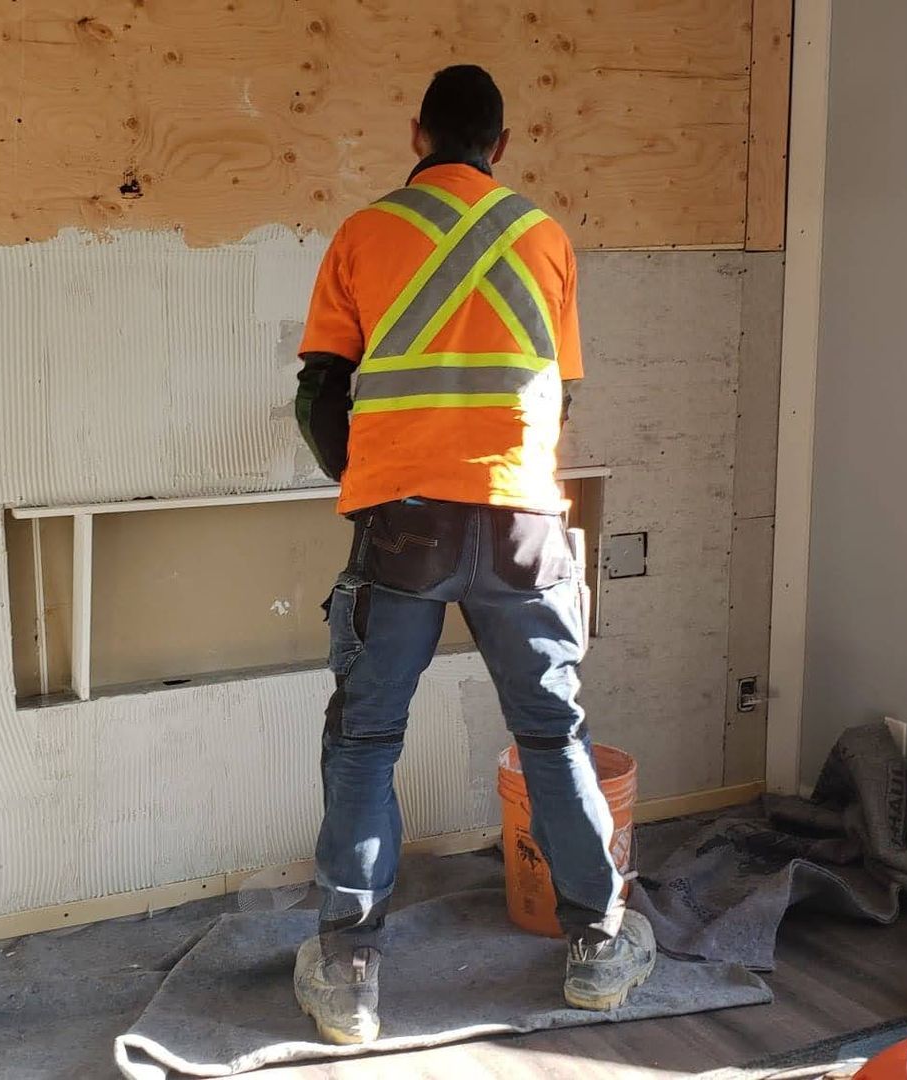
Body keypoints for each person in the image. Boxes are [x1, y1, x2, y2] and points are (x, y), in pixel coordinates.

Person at [290, 64, 656, 1046]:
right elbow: (556, 394)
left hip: (404, 523)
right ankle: (596, 946)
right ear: (501, 144)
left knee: (366, 739)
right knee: (553, 737)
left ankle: (349, 971)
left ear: (418, 133)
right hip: (523, 522)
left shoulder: (365, 231)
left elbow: (319, 392)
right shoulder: (545, 236)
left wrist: (370, 478)